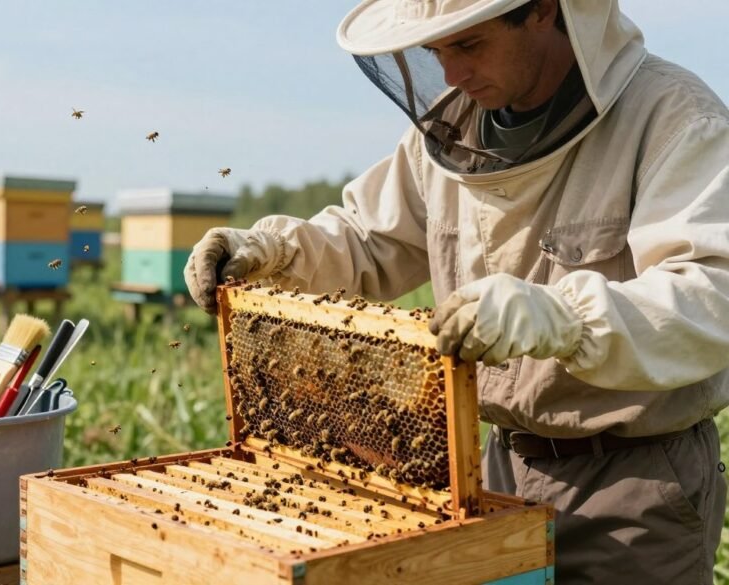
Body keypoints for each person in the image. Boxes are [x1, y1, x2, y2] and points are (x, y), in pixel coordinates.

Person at [183, 0, 729, 582]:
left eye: (469, 45)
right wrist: (275, 253)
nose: (451, 75)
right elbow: (369, 239)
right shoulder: (450, 129)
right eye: (436, 52)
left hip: (632, 482)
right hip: (493, 464)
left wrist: (562, 317)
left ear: (544, 10)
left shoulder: (673, 117)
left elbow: (711, 295)